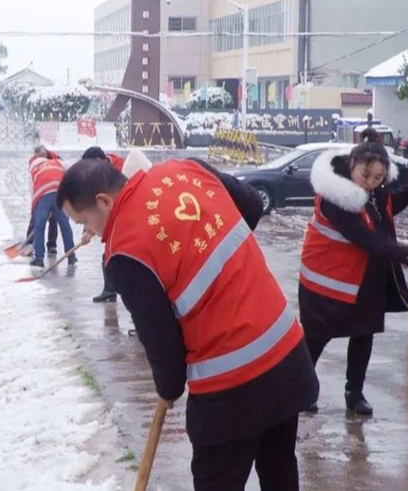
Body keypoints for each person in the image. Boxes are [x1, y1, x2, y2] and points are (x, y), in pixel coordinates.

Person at [58, 158, 319, 491]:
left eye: (85, 221)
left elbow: (164, 345)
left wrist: (168, 389)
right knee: (279, 469)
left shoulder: (125, 251)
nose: (90, 234)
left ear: (104, 201)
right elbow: (252, 205)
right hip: (285, 353)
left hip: (230, 389)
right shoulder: (183, 168)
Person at [299, 128, 408, 416]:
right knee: (316, 338)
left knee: (363, 334)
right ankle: (301, 389)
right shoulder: (335, 196)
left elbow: (387, 206)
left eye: (378, 178)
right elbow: (367, 238)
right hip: (328, 283)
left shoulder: (376, 191)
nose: (372, 183)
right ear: (352, 165)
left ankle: (354, 392)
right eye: (366, 175)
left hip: (364, 280)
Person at [79, 146, 152, 303]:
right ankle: (110, 291)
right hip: (117, 220)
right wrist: (87, 230)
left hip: (135, 217)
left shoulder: (122, 169)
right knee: (109, 255)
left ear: (100, 161)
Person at [29, 155, 76, 268]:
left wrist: (38, 209)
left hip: (42, 197)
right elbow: (72, 168)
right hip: (59, 193)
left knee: (39, 228)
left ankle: (39, 258)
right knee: (65, 225)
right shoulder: (58, 163)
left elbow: (32, 191)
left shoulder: (33, 170)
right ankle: (71, 256)